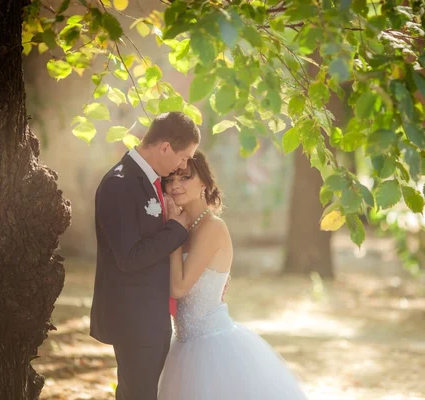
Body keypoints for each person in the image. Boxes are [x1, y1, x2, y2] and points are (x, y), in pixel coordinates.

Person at [157, 151, 308, 400]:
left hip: (212, 346)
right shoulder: (186, 226)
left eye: (185, 178)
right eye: (170, 180)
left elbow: (179, 288)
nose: (175, 186)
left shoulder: (212, 227)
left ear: (204, 182)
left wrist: (173, 235)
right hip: (182, 344)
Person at [90, 112, 199, 400]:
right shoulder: (119, 183)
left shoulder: (154, 182)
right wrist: (177, 229)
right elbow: (129, 257)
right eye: (184, 156)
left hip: (154, 315)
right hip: (134, 319)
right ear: (164, 147)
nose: (184, 165)